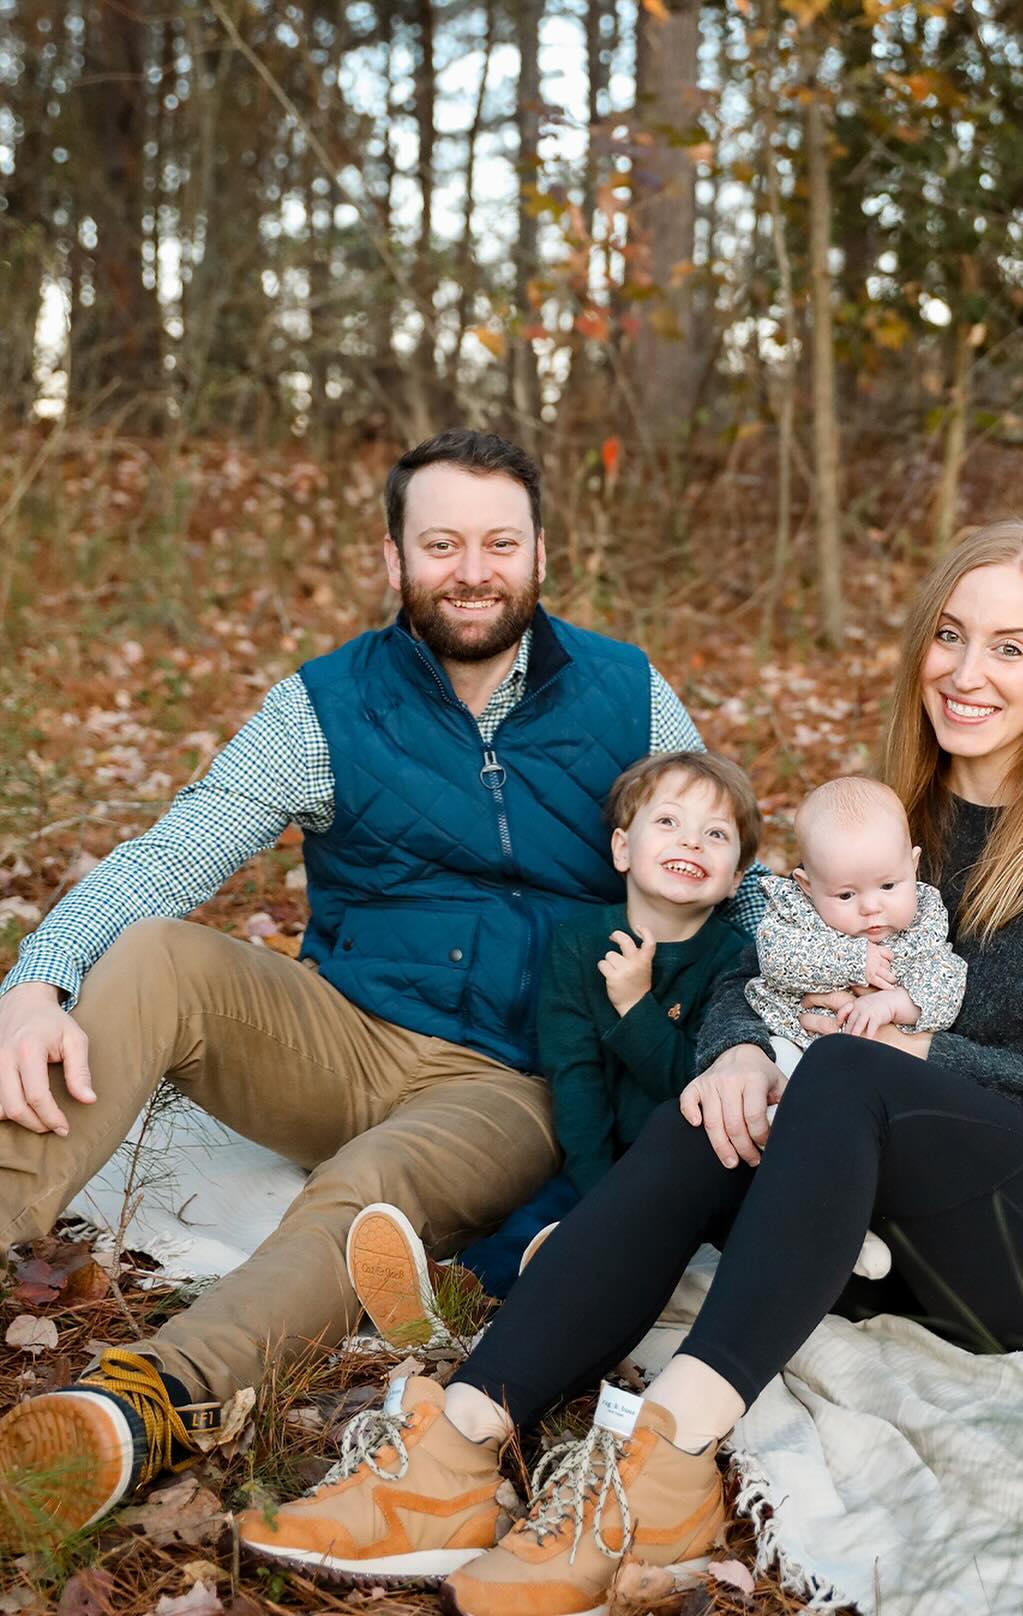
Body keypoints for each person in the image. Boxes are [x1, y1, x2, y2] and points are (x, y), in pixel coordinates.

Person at [235, 519, 1023, 1613]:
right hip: (919, 1232)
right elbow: (760, 967)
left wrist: (926, 1050)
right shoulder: (896, 816)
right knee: (717, 1110)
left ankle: (668, 1462)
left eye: (1008, 646)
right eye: (949, 634)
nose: (965, 671)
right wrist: (739, 1050)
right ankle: (459, 1447)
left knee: (846, 1070)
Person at [0, 429, 763, 1551]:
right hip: (340, 1030)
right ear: (394, 557)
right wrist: (35, 976)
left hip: (508, 1081)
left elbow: (724, 863)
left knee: (374, 1182)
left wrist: (774, 1017)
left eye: (500, 541)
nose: (473, 568)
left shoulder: (624, 691)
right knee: (156, 948)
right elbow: (172, 852)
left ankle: (149, 1401)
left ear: (541, 551)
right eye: (441, 541)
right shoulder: (326, 704)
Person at [348, 749, 759, 1347]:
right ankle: (439, 1301)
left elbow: (694, 1087)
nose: (691, 842)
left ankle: (550, 1291)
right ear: (622, 848)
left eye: (716, 834)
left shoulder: (735, 961)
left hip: (686, 1169)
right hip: (591, 1157)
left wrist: (635, 1008)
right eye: (669, 822)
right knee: (537, 1219)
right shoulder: (577, 943)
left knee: (624, 1241)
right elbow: (574, 1077)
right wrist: (597, 1193)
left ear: (737, 879)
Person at [745, 775, 967, 1045]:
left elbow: (947, 988)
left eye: (887, 886)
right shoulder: (797, 911)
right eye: (846, 894)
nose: (871, 907)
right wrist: (855, 959)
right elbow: (775, 958)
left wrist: (892, 1004)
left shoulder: (923, 922)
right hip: (793, 1038)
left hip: (878, 1057)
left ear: (913, 865)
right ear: (807, 886)